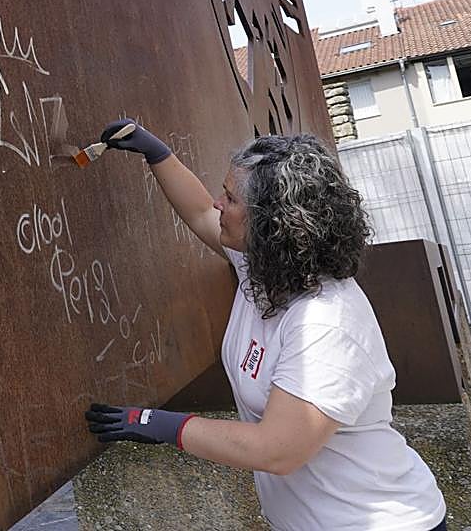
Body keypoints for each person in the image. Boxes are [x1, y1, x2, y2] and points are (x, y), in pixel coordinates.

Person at [84, 120, 447, 531]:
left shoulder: (326, 322)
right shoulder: (266, 267)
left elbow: (278, 449)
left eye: (232, 198)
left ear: (274, 223)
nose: (220, 203)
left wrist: (160, 424)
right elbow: (202, 213)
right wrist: (157, 154)